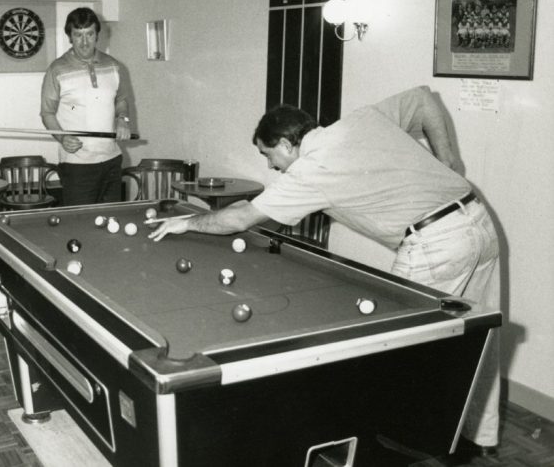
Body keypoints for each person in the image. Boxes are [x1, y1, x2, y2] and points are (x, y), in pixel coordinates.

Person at [149, 85, 500, 457]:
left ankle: (385, 451)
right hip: (478, 219)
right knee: (478, 338)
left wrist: (188, 223)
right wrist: (449, 161)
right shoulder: (363, 119)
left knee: (397, 356)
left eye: (270, 156)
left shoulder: (311, 170)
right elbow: (425, 99)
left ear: (286, 144)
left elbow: (240, 218)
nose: (272, 166)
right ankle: (479, 437)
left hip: (436, 243)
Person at [40, 7, 132, 206]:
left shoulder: (114, 65)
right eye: (78, 35)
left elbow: (121, 100)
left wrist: (122, 119)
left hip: (112, 161)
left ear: (97, 35)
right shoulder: (57, 69)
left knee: (111, 221)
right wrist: (62, 138)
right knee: (80, 223)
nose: (84, 42)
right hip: (77, 165)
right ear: (70, 37)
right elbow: (47, 113)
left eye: (89, 34)